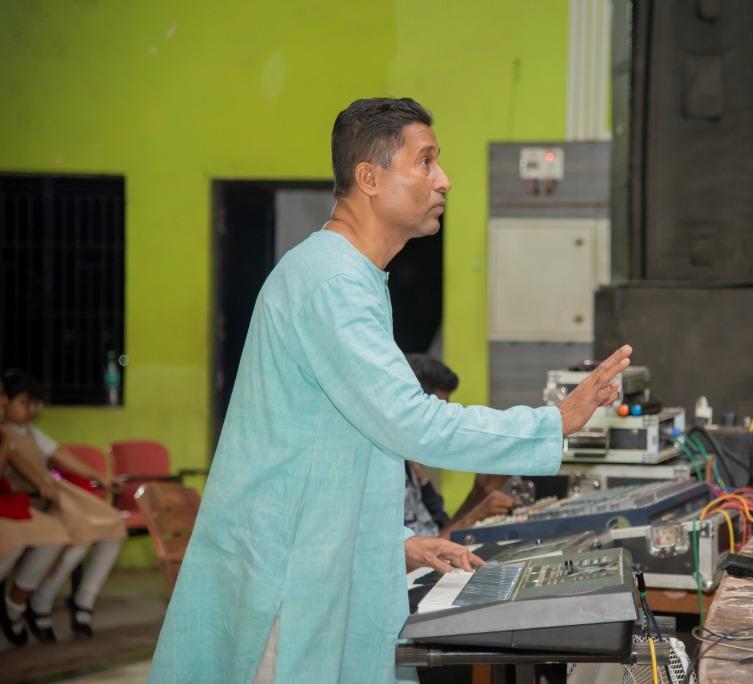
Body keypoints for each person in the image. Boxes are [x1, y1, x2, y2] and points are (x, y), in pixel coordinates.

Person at [148, 97, 631, 683]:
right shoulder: (330, 283)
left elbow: (339, 453)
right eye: (425, 161)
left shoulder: (353, 278)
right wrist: (554, 421)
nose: (443, 179)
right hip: (284, 580)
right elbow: (411, 422)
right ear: (369, 178)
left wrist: (399, 542)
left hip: (314, 560)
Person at [1, 369, 126, 640]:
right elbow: (20, 469)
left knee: (115, 525)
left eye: (35, 403)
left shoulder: (29, 431)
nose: (32, 410)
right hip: (28, 499)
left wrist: (99, 477)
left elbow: (59, 455)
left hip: (51, 492)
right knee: (76, 534)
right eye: (24, 402)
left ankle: (83, 599)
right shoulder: (6, 434)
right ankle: (32, 602)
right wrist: (40, 483)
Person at [402, 354, 517, 539]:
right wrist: (475, 515)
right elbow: (414, 554)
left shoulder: (413, 466)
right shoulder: (389, 470)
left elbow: (439, 533)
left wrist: (480, 493)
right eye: (437, 413)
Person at [0, 375, 71, 646]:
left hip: (12, 502)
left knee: (56, 534)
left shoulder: (6, 434)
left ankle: (16, 604)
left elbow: (22, 465)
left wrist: (42, 483)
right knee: (15, 542)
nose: (2, 402)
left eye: (4, 397)